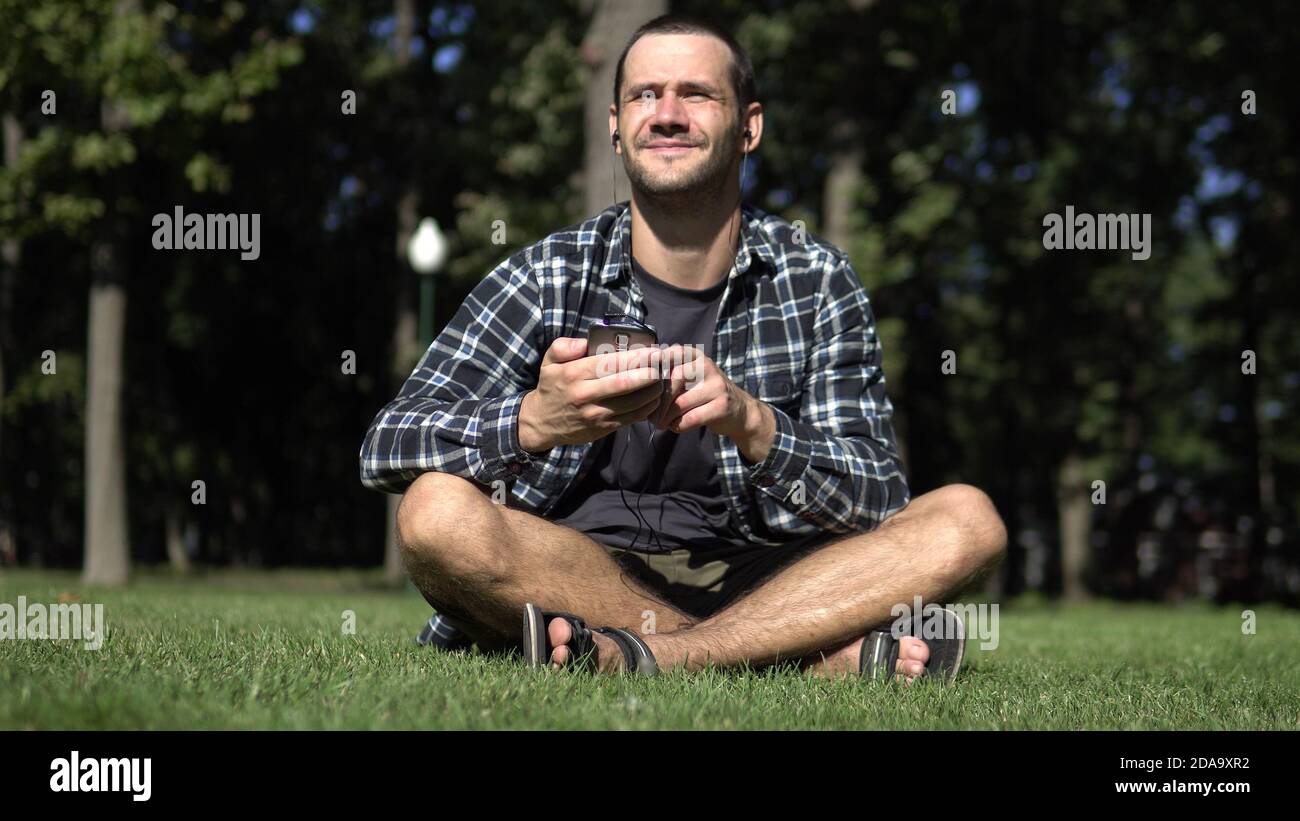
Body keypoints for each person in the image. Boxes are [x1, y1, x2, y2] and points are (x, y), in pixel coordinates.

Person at [360, 14, 1006, 682]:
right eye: (644, 95)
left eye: (696, 94)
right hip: (583, 569)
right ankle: (793, 654)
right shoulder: (545, 274)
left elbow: (877, 499)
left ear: (749, 126)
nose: (665, 114)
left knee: (967, 518)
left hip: (766, 574)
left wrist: (753, 423)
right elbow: (385, 445)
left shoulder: (815, 277)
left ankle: (649, 656)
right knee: (435, 512)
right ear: (616, 125)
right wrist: (532, 421)